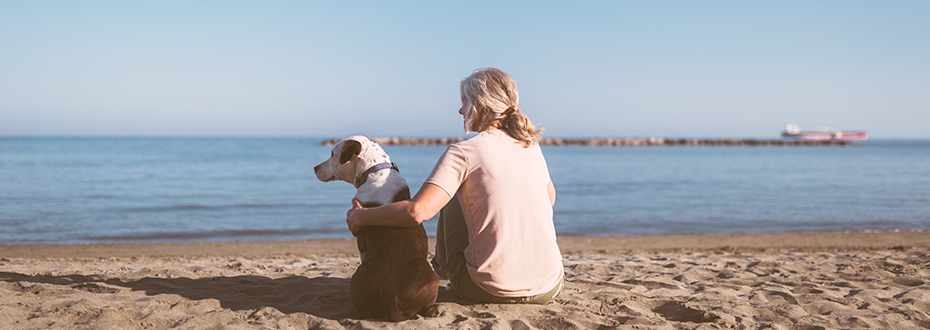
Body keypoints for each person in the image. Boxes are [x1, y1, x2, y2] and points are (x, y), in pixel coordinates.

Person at [345, 67, 563, 304]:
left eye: (464, 101)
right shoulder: (531, 146)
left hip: (488, 289)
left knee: (449, 197)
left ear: (481, 104)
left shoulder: (465, 151)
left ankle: (443, 268)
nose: (460, 110)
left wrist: (363, 216)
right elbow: (549, 199)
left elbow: (417, 212)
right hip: (550, 286)